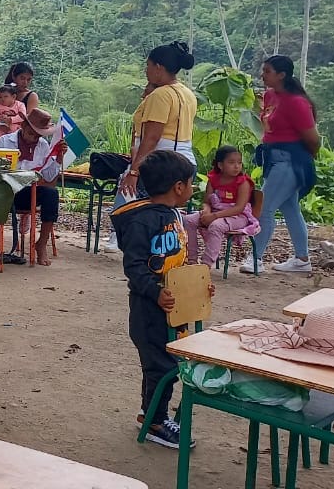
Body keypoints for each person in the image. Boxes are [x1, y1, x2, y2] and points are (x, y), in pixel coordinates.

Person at [111, 149, 211, 449]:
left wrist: (197, 286)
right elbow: (134, 267)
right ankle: (156, 421)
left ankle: (150, 413)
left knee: (167, 363)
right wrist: (155, 293)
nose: (193, 188)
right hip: (148, 311)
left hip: (173, 310)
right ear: (178, 187)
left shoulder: (173, 215)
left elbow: (176, 263)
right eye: (191, 183)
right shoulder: (142, 221)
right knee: (161, 367)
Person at [104, 41, 198, 253]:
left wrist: (135, 170)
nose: (146, 70)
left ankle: (121, 237)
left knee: (132, 194)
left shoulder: (160, 95)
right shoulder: (187, 94)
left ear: (158, 67)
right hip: (186, 160)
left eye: (147, 65)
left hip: (162, 164)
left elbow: (152, 137)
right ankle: (168, 247)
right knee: (165, 210)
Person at [244, 55, 321, 274]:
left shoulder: (297, 103)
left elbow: (313, 139)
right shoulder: (270, 95)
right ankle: (302, 259)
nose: (262, 75)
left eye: (267, 71)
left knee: (264, 207)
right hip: (273, 158)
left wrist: (306, 158)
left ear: (281, 75)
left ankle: (256, 258)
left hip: (290, 160)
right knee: (290, 208)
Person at [0, 109, 63, 264]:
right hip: (4, 191)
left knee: (51, 194)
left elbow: (48, 176)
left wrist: (58, 160)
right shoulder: (5, 141)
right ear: (23, 126)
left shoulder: (43, 145)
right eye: (31, 133)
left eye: (38, 135)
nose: (34, 138)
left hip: (28, 193)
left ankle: (41, 244)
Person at [184, 146, 260, 269]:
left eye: (239, 162)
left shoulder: (243, 182)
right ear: (220, 165)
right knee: (188, 220)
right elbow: (207, 202)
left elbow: (239, 208)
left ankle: (205, 265)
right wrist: (206, 212)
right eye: (231, 162)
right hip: (215, 212)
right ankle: (191, 260)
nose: (236, 166)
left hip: (238, 216)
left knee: (216, 226)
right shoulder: (213, 179)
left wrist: (214, 216)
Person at [0, 62, 39, 144]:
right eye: (22, 78)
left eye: (29, 79)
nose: (25, 82)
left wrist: (12, 122)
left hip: (19, 140)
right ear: (14, 77)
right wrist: (3, 127)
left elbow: (29, 121)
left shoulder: (31, 96)